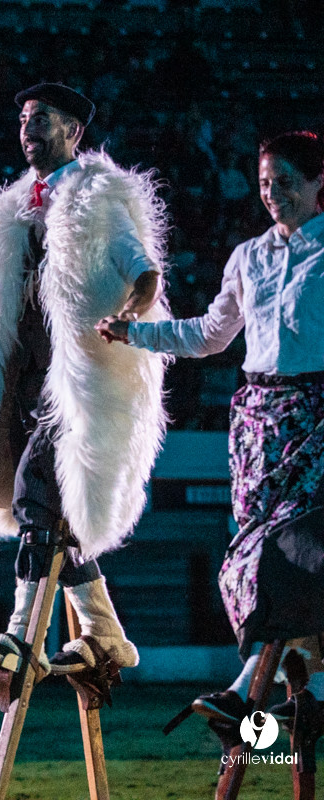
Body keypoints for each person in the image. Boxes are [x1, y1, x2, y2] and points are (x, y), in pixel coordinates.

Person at [0, 83, 170, 677]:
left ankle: (21, 635)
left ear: (73, 132)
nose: (29, 129)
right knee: (55, 518)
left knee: (35, 495)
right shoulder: (11, 210)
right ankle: (106, 635)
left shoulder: (97, 200)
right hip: (26, 382)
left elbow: (145, 272)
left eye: (43, 119)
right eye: (24, 118)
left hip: (75, 388)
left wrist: (129, 318)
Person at [97, 130, 324, 720]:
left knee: (301, 547)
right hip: (257, 420)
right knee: (254, 550)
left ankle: (268, 685)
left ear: (319, 181)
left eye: (286, 182)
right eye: (265, 183)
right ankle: (282, 686)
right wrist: (134, 332)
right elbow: (207, 335)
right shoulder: (249, 257)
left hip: (317, 414)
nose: (273, 194)